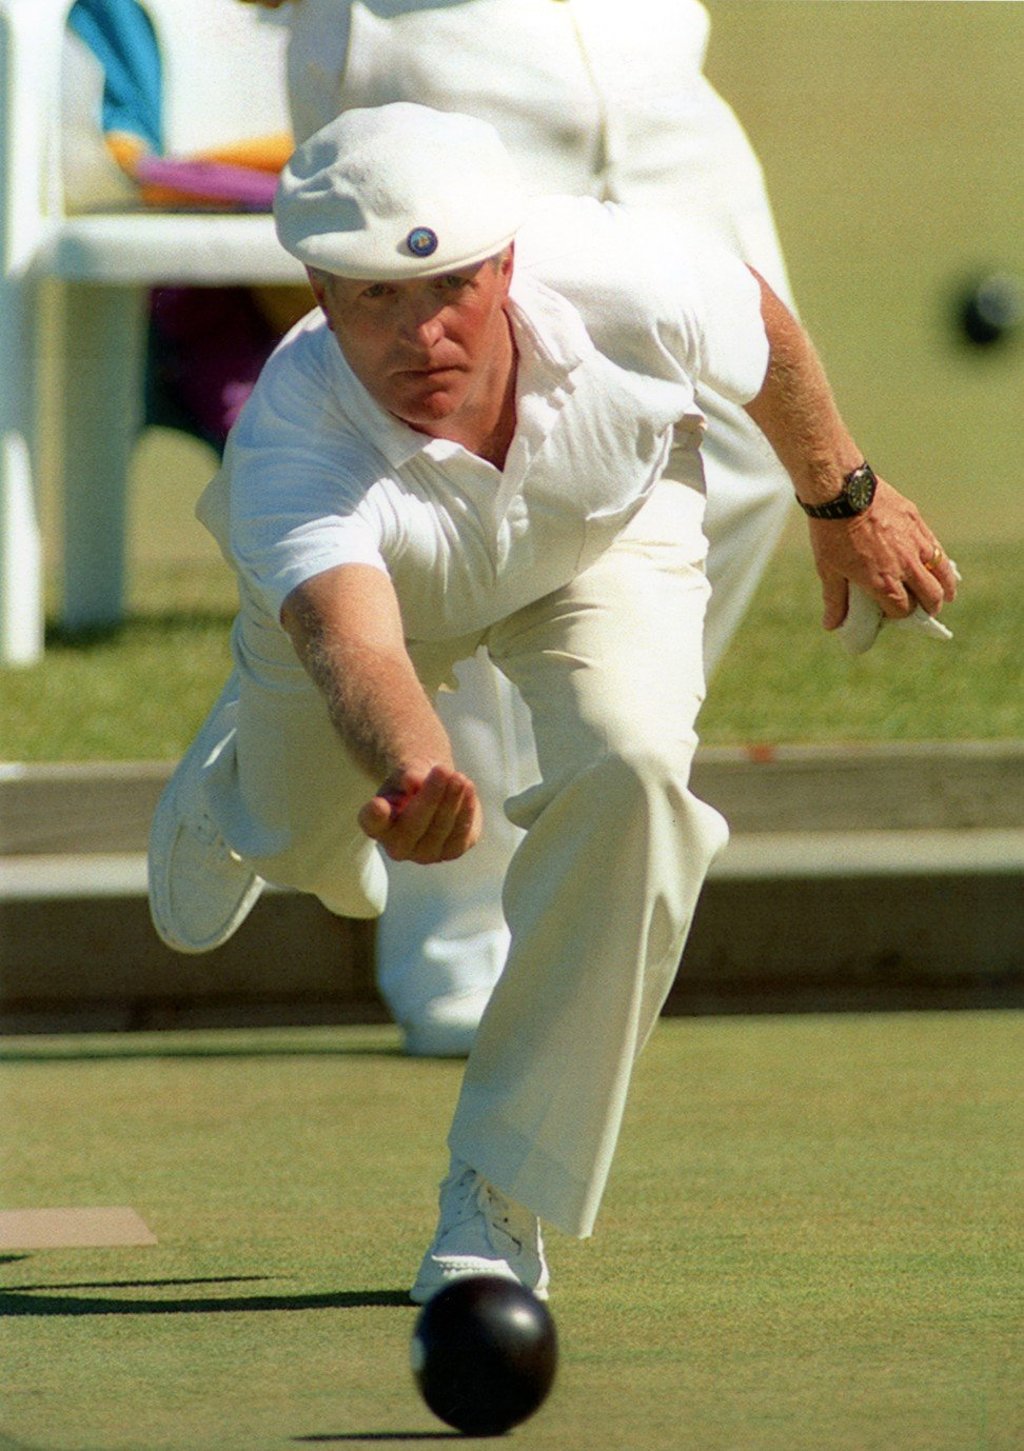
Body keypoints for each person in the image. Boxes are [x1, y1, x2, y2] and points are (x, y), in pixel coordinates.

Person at [147, 103, 957, 1301]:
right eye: (374, 297)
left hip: (604, 539)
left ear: (508, 261)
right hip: (380, 608)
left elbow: (760, 332)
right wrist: (420, 771)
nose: (423, 333)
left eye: (455, 289)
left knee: (635, 772)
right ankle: (239, 792)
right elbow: (358, 648)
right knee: (294, 834)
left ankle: (499, 1190)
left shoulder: (625, 268)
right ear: (316, 287)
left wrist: (843, 497)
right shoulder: (290, 446)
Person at [235, 0, 800, 1057]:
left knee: (749, 454)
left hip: (648, 57)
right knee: (466, 499)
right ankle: (456, 925)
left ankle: (587, 810)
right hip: (439, 46)